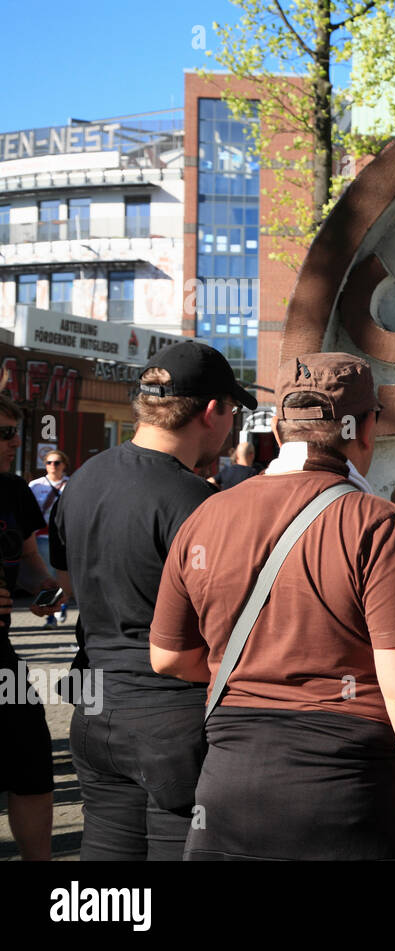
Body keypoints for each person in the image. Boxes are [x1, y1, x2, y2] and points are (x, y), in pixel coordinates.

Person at [149, 353, 395, 860]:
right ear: (366, 430)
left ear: (278, 431)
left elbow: (167, 658)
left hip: (228, 786)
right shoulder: (375, 522)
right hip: (350, 794)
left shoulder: (207, 514)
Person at [51, 340, 253, 860]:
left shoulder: (82, 480)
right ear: (213, 411)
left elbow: (66, 584)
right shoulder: (199, 502)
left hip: (94, 713)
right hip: (172, 721)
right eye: (232, 411)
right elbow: (224, 626)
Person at [0, 396, 62, 860]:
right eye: (4, 433)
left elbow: (28, 556)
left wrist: (44, 586)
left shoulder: (14, 490)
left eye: (15, 431)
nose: (14, 442)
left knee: (34, 766)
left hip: (1, 655)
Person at [28, 449, 70, 625]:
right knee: (49, 577)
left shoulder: (73, 484)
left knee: (64, 575)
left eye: (57, 462)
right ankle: (51, 615)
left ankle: (62, 606)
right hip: (43, 537)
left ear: (64, 465)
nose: (52, 466)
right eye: (49, 462)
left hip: (65, 537)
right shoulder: (35, 485)